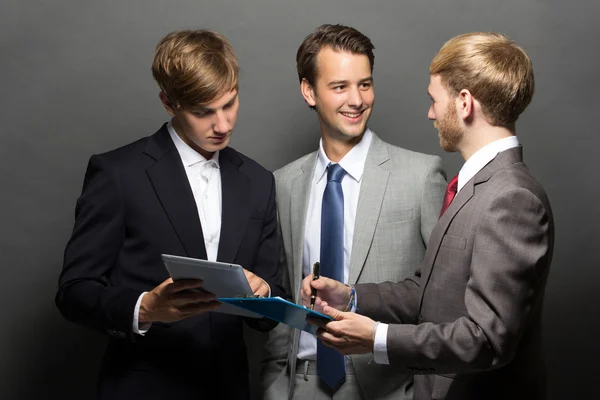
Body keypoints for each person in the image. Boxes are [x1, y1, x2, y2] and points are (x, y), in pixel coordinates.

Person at [301, 32, 554, 400]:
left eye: (435, 100)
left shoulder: (512, 198)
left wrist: (376, 338)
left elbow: (486, 340)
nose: (431, 113)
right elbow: (429, 292)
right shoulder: (477, 186)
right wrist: (351, 297)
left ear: (464, 103)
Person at [55, 29, 284, 400]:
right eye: (203, 112)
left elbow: (275, 298)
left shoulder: (258, 181)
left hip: (230, 388)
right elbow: (74, 291)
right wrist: (144, 308)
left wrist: (266, 293)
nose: (223, 125)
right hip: (143, 386)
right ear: (168, 102)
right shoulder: (118, 173)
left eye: (230, 103)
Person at [262, 24, 446, 399]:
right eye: (340, 86)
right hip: (303, 383)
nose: (357, 99)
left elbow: (443, 295)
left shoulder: (421, 175)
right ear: (309, 91)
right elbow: (282, 292)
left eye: (365, 84)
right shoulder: (283, 183)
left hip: (390, 386)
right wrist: (277, 384)